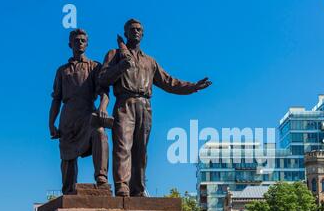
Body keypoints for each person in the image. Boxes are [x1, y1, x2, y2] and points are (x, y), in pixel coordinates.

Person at [99, 19, 211, 197]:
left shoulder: (150, 61)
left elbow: (169, 82)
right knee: (123, 146)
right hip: (124, 103)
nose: (135, 32)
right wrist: (121, 66)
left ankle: (138, 188)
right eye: (132, 29)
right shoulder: (114, 54)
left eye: (139, 30)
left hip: (145, 106)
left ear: (142, 34)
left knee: (141, 150)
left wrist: (193, 87)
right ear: (126, 33)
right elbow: (103, 79)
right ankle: (122, 186)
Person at [49, 29, 110, 194]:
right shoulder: (62, 71)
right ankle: (68, 190)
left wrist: (102, 108)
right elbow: (56, 98)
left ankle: (101, 177)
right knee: (67, 157)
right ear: (70, 44)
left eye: (83, 40)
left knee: (100, 134)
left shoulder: (95, 67)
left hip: (87, 115)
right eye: (76, 40)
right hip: (68, 117)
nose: (80, 43)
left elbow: (104, 92)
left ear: (87, 43)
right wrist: (51, 124)